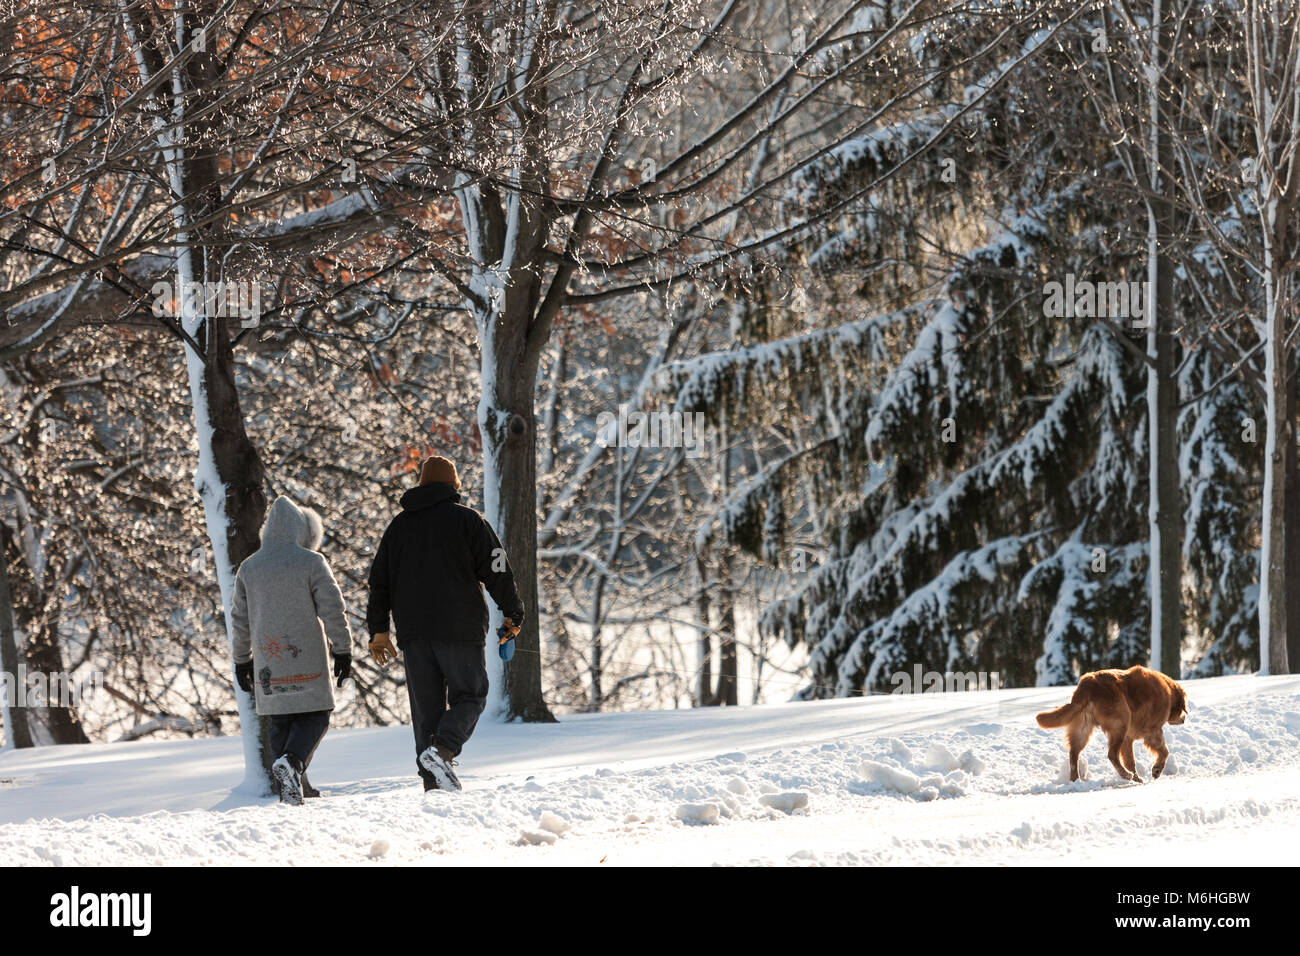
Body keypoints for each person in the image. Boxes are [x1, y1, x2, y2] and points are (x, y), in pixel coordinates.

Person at [366, 455, 524, 792]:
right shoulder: (469, 521)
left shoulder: (398, 527)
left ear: (421, 485)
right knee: (470, 695)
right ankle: (442, 751)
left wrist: (378, 629)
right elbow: (497, 569)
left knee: (427, 710)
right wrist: (513, 613)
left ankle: (433, 783)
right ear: (455, 486)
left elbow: (378, 582)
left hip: (413, 634)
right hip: (460, 628)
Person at [231, 495, 353, 805]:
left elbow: (239, 619)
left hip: (267, 662)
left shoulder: (249, 567)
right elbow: (332, 608)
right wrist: (343, 649)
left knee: (281, 720)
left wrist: (241, 660)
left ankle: (291, 781)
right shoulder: (311, 561)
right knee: (317, 715)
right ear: (302, 530)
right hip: (306, 657)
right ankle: (293, 763)